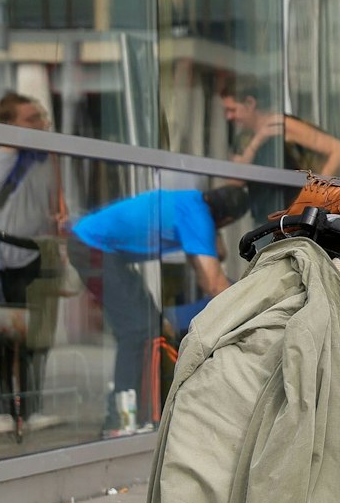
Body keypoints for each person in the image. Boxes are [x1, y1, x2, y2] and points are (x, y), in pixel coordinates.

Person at [67, 185, 247, 436]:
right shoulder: (197, 217)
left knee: (150, 323)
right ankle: (119, 420)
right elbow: (214, 285)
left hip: (104, 249)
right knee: (137, 329)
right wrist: (249, 306)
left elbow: (219, 254)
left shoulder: (193, 201)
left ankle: (142, 411)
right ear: (227, 220)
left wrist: (213, 230)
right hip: (91, 246)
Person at [0, 93, 62, 307]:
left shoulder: (48, 158)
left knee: (40, 325)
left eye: (41, 117)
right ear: (9, 125)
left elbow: (58, 206)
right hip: (1, 261)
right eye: (32, 119)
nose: (41, 124)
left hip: (41, 258)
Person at [221, 80, 340, 178]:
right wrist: (258, 140)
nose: (228, 116)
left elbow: (339, 150)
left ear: (250, 103)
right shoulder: (244, 138)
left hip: (296, 200)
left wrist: (316, 193)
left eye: (232, 110)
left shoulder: (282, 124)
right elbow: (236, 180)